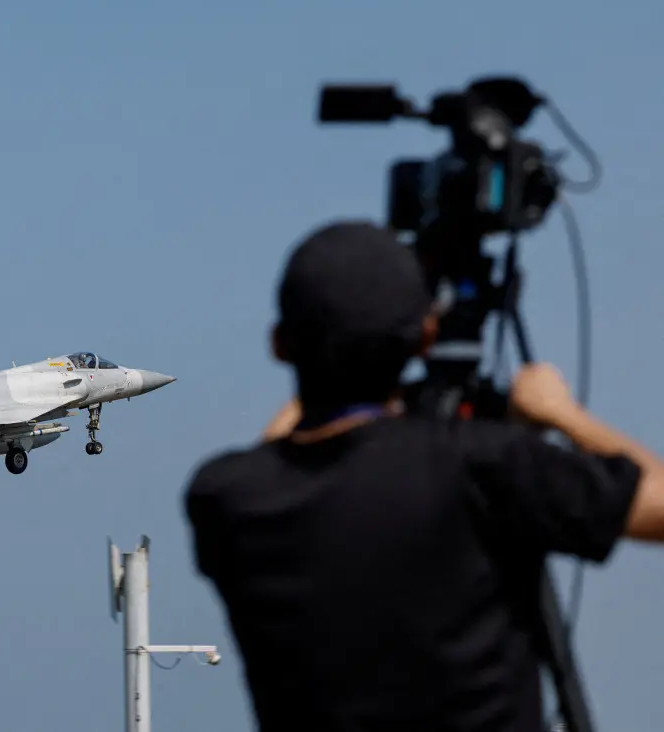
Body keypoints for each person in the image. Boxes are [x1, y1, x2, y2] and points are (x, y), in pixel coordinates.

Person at [183, 219, 664, 732]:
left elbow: (284, 450)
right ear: (426, 336)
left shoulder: (227, 499)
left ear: (280, 344)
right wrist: (560, 413)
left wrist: (343, 327)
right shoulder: (483, 467)